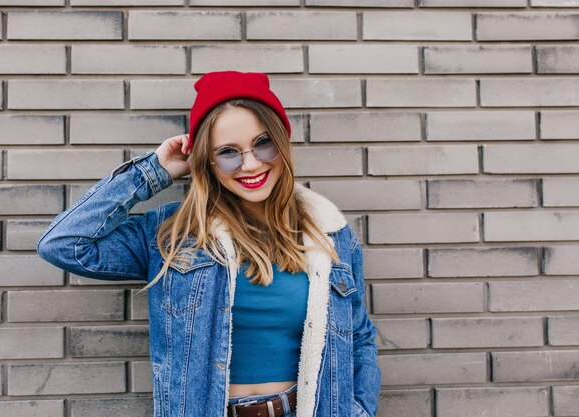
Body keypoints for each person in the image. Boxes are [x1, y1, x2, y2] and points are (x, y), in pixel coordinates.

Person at [37, 70, 381, 417]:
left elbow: (359, 337)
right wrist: (154, 171)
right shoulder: (172, 235)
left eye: (263, 143)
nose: (250, 164)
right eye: (228, 152)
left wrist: (360, 410)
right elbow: (64, 243)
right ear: (208, 162)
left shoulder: (329, 231)